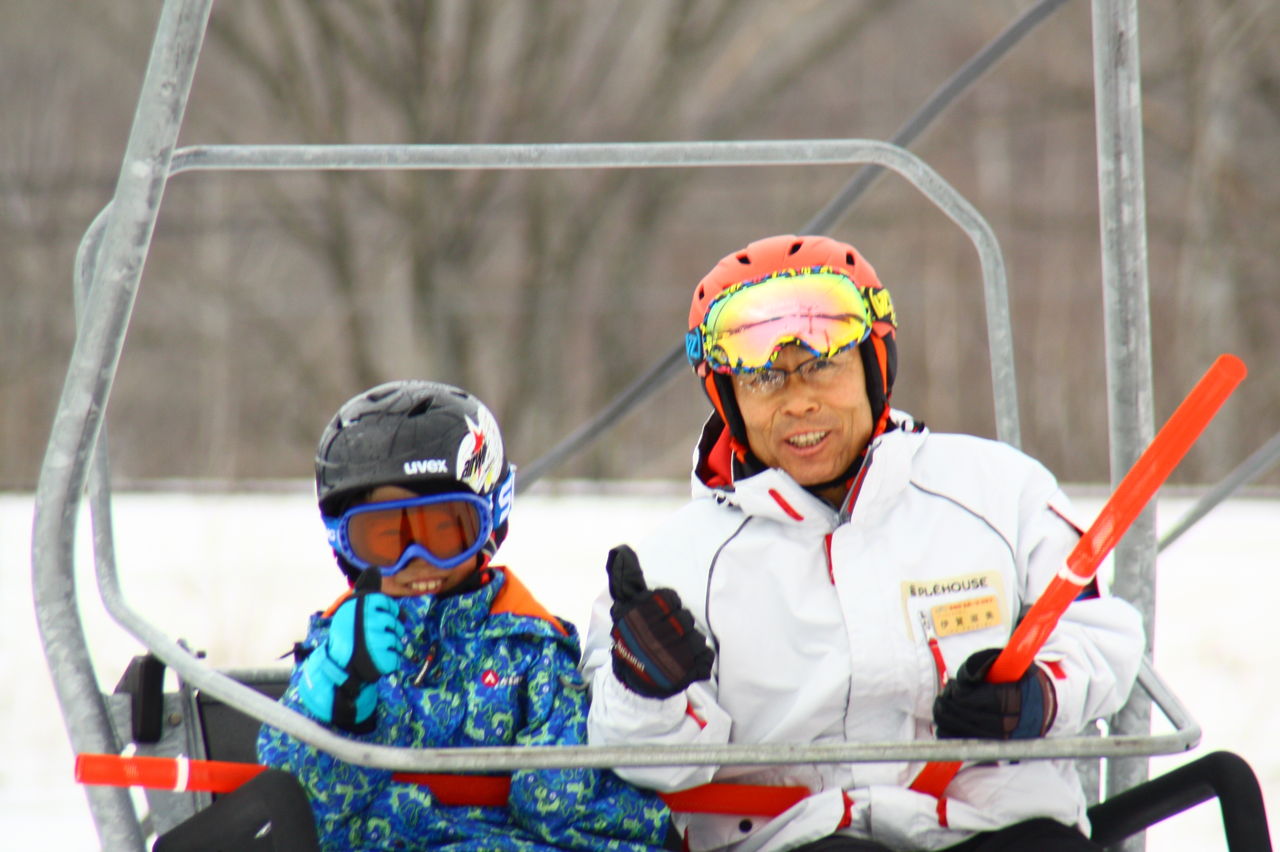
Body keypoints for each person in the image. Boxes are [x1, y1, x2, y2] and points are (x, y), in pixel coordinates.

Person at [581, 235, 1145, 852]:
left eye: (823, 364)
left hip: (995, 826)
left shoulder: (998, 492)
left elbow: (1100, 635)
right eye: (764, 377)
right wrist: (648, 691)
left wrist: (1038, 696)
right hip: (800, 836)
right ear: (728, 398)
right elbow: (642, 761)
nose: (800, 402)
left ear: (876, 366)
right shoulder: (675, 567)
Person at [258, 380, 675, 851]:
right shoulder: (338, 647)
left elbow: (563, 811)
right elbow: (300, 810)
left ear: (491, 521)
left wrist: (640, 692)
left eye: (444, 531)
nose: (417, 561)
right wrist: (340, 691)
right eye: (385, 538)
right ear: (345, 546)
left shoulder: (530, 650)